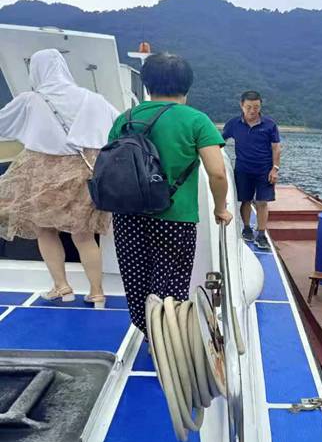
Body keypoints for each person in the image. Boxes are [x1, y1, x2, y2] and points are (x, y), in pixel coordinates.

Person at [108, 53, 232, 334]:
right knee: (170, 285)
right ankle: (165, 341)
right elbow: (217, 173)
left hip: (128, 216)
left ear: (147, 84)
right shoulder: (196, 120)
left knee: (137, 281)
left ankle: (147, 332)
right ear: (187, 86)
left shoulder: (126, 118)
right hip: (175, 218)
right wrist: (220, 209)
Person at [0, 48, 118, 307]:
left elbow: (3, 124)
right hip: (85, 173)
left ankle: (62, 287)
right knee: (84, 236)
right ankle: (97, 292)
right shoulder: (94, 100)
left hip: (42, 174)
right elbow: (118, 127)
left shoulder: (30, 100)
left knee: (45, 230)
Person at [222, 90, 281, 250]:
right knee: (245, 200)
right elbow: (220, 140)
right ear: (241, 105)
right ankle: (247, 228)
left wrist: (275, 169)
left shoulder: (269, 124)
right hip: (243, 169)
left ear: (260, 106)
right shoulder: (234, 124)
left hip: (264, 169)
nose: (252, 111)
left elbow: (276, 148)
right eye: (249, 107)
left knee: (262, 202)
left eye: (256, 107)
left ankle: (261, 234)